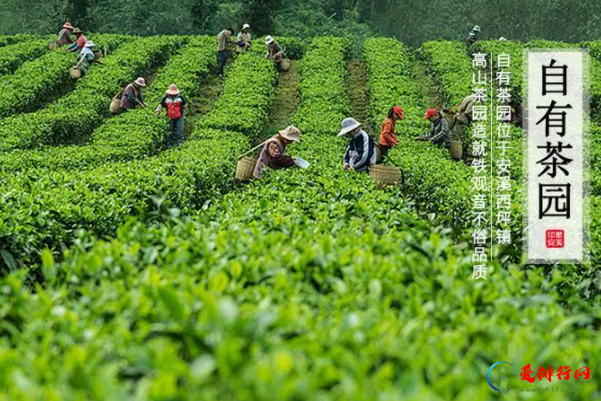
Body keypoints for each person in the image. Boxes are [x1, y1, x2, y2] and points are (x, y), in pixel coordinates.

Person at [155, 84, 187, 148]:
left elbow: (184, 105)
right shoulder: (165, 98)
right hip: (169, 117)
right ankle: (169, 145)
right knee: (170, 131)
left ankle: (180, 144)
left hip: (179, 117)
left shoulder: (180, 98)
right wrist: (158, 111)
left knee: (180, 131)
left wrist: (184, 113)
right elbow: (161, 105)